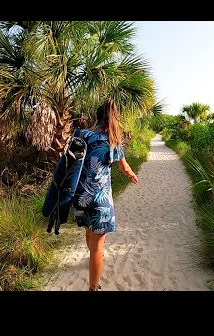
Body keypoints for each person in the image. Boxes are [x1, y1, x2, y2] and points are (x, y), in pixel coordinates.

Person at [73, 99, 138, 291]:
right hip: (101, 201)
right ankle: (94, 287)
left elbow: (70, 161)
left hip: (81, 196)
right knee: (98, 246)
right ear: (113, 118)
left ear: (97, 116)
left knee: (88, 231)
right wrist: (132, 175)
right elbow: (124, 167)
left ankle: (93, 257)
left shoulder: (81, 134)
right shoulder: (113, 139)